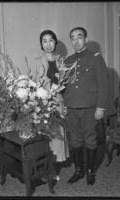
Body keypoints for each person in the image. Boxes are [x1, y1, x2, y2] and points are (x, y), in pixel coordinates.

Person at [63, 27, 108, 185]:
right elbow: (65, 86)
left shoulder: (96, 58)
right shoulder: (67, 61)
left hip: (90, 108)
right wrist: (64, 104)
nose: (76, 41)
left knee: (90, 140)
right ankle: (78, 170)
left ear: (85, 39)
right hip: (72, 108)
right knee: (75, 141)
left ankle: (90, 171)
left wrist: (101, 107)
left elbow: (103, 84)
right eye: (73, 38)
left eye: (79, 37)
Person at [34, 30, 69, 180]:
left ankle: (53, 168)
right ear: (41, 44)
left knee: (58, 138)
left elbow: (65, 83)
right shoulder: (37, 61)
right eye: (44, 41)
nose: (48, 44)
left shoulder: (61, 61)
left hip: (59, 102)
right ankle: (46, 171)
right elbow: (38, 84)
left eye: (51, 41)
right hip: (44, 104)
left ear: (55, 43)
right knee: (46, 138)